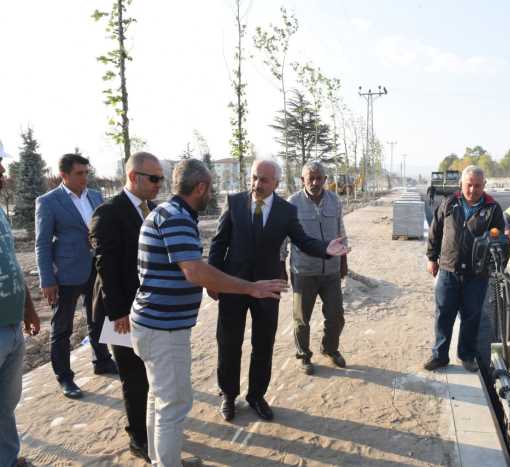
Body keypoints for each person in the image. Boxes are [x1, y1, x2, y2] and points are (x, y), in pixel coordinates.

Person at [129, 159, 288, 467]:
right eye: (210, 187)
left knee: (158, 398)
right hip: (164, 329)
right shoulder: (176, 217)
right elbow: (195, 271)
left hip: (153, 324)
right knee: (174, 405)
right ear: (200, 187)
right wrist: (249, 288)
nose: (212, 194)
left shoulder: (164, 212)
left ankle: (159, 458)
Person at [208, 159, 349, 423]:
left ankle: (256, 396)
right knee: (228, 342)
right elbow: (219, 243)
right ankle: (228, 394)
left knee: (263, 344)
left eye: (263, 180)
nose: (256, 184)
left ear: (276, 183)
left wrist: (325, 249)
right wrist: (214, 281)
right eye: (254, 178)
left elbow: (302, 240)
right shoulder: (235, 202)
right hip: (233, 286)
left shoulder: (285, 211)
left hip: (268, 288)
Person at [89, 152, 164, 463]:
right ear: (133, 177)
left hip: (151, 310)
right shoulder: (108, 213)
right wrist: (119, 313)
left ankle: (154, 431)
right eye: (154, 178)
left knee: (153, 376)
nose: (159, 184)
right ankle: (139, 438)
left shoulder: (155, 211)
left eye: (161, 178)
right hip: (119, 312)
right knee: (134, 378)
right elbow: (105, 268)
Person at [35, 153, 116, 399]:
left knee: (99, 318)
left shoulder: (95, 196)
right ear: (64, 175)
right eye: (79, 173)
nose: (85, 178)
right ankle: (66, 378)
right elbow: (42, 243)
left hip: (96, 269)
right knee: (62, 328)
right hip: (66, 274)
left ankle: (102, 360)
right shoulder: (49, 202)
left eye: (86, 172)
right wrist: (47, 280)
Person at [424, 165, 504, 373]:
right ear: (462, 184)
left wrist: (493, 262)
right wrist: (432, 258)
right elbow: (435, 231)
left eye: (478, 186)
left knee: (471, 316)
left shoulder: (492, 209)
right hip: (448, 270)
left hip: (476, 275)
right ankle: (440, 356)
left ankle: (466, 355)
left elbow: (498, 239)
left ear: (484, 185)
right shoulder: (449, 203)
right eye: (469, 185)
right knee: (444, 314)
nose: (473, 190)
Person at [281, 161, 348, 375]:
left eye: (320, 178)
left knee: (336, 315)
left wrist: (344, 261)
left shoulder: (334, 201)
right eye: (311, 178)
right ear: (302, 180)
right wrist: (281, 266)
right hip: (303, 272)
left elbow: (341, 232)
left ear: (325, 180)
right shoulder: (292, 203)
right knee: (302, 319)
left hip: (331, 271)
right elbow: (283, 240)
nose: (315, 182)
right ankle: (304, 355)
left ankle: (330, 349)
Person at [0, 148, 40, 467]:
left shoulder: (1, 211)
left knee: (5, 403)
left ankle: (8, 460)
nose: (3, 171)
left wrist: (27, 307)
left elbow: (11, 263)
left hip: (11, 325)